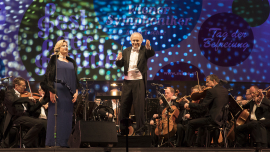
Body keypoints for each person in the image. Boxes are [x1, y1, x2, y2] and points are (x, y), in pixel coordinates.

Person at [41, 39, 80, 147]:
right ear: (58, 48)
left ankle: (65, 142)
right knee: (55, 118)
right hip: (57, 91)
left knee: (67, 118)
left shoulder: (72, 61)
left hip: (69, 93)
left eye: (67, 45)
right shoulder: (54, 59)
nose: (66, 47)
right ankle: (52, 142)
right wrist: (51, 91)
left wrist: (76, 92)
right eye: (63, 46)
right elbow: (49, 77)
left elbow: (75, 78)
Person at [116, 32, 155, 133]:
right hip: (127, 82)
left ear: (141, 41)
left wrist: (148, 47)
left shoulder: (144, 50)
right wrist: (119, 59)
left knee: (139, 106)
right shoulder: (126, 51)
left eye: (137, 40)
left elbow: (151, 53)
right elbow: (119, 64)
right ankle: (123, 130)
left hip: (138, 81)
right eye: (133, 40)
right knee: (124, 106)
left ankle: (140, 131)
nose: (135, 42)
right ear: (131, 41)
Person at [182, 74, 228, 147]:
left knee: (191, 123)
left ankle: (186, 146)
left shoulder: (211, 91)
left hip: (212, 119)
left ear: (213, 81)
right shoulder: (225, 90)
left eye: (207, 82)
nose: (206, 84)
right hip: (221, 119)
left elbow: (202, 107)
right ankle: (206, 144)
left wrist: (190, 104)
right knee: (201, 124)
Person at [3, 77, 48, 148]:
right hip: (16, 117)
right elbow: (13, 100)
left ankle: (41, 145)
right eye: (23, 85)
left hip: (26, 117)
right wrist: (27, 99)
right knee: (39, 123)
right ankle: (25, 142)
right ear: (16, 86)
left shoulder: (26, 95)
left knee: (43, 122)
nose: (25, 87)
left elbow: (31, 110)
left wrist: (40, 102)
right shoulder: (10, 93)